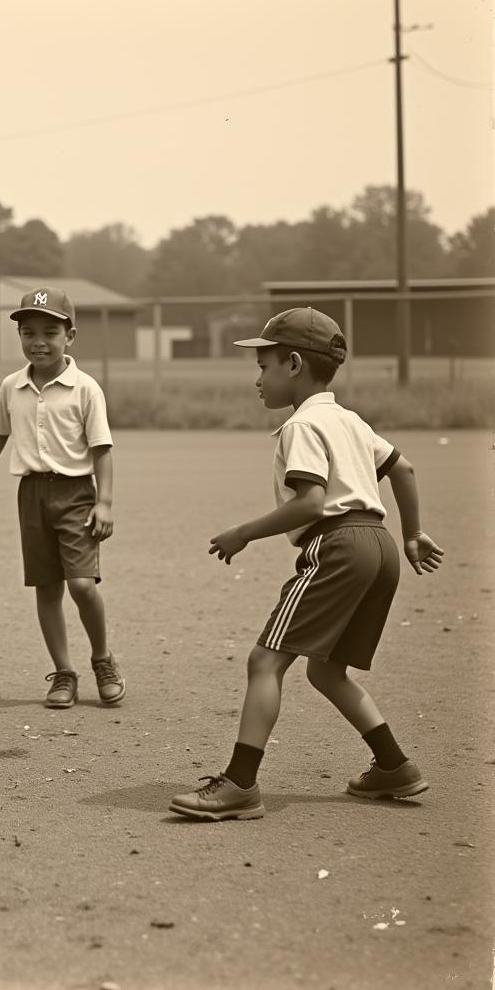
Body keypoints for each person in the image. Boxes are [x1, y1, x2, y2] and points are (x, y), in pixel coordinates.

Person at [169, 307, 444, 822]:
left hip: (338, 546)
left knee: (265, 662)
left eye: (265, 365)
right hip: (380, 546)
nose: (258, 378)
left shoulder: (302, 425)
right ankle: (394, 767)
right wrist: (412, 535)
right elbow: (402, 468)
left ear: (293, 364)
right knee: (326, 670)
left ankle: (240, 784)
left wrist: (243, 533)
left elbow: (311, 504)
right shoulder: (350, 420)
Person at [0, 286, 123, 710]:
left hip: (76, 494)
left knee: (82, 585)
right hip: (31, 493)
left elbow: (102, 449)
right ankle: (64, 672)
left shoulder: (86, 388)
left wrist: (104, 503)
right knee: (47, 588)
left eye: (50, 332)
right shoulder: (11, 387)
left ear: (70, 335)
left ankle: (103, 659)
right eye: (28, 332)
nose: (38, 341)